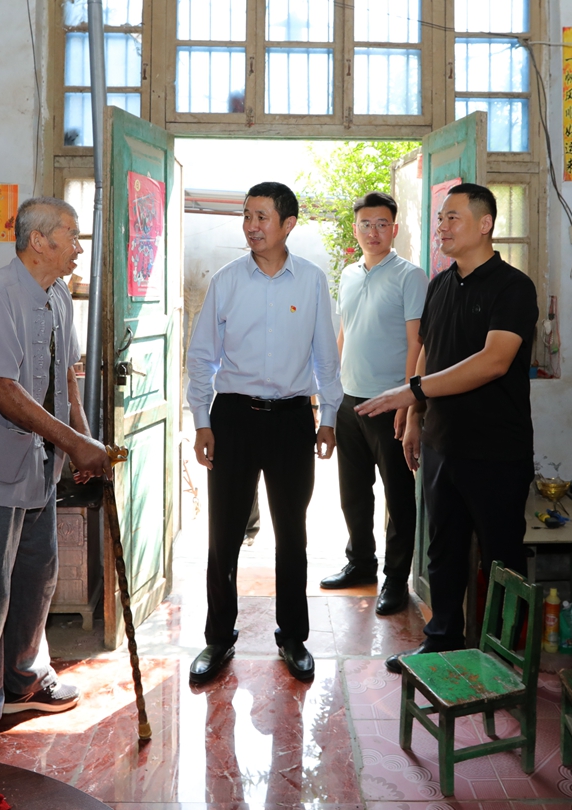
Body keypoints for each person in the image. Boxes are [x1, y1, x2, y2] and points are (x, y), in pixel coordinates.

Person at [0, 197, 111, 760]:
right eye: (71, 235)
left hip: (38, 467)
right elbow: (2, 391)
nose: (78, 247)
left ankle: (24, 682)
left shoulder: (57, 295)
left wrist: (82, 440)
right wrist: (75, 444)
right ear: (39, 240)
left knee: (38, 578)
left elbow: (68, 376)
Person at [356, 183, 538, 673]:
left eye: (453, 217)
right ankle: (441, 642)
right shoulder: (439, 285)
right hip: (442, 443)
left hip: (495, 449)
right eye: (440, 218)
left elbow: (494, 361)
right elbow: (428, 352)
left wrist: (411, 392)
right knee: (444, 549)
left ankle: (504, 659)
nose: (442, 227)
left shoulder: (513, 287)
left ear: (485, 224)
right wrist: (416, 416)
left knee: (501, 557)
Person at [186, 181, 342, 685]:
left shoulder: (312, 281)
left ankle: (293, 637)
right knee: (224, 534)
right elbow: (202, 356)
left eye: (262, 217)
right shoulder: (227, 280)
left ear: (288, 224)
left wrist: (329, 416)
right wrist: (202, 420)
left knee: (292, 533)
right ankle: (218, 637)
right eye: (247, 216)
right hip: (233, 417)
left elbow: (325, 356)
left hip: (293, 418)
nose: (252, 226)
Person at [319, 191, 426, 616]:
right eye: (366, 224)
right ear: (355, 229)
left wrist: (407, 403)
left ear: (394, 229)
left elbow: (417, 343)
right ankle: (360, 563)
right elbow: (345, 332)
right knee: (353, 493)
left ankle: (396, 579)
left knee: (398, 497)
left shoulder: (410, 276)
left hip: (389, 401)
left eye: (382, 224)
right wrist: (331, 392)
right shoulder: (348, 275)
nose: (373, 232)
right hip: (349, 401)